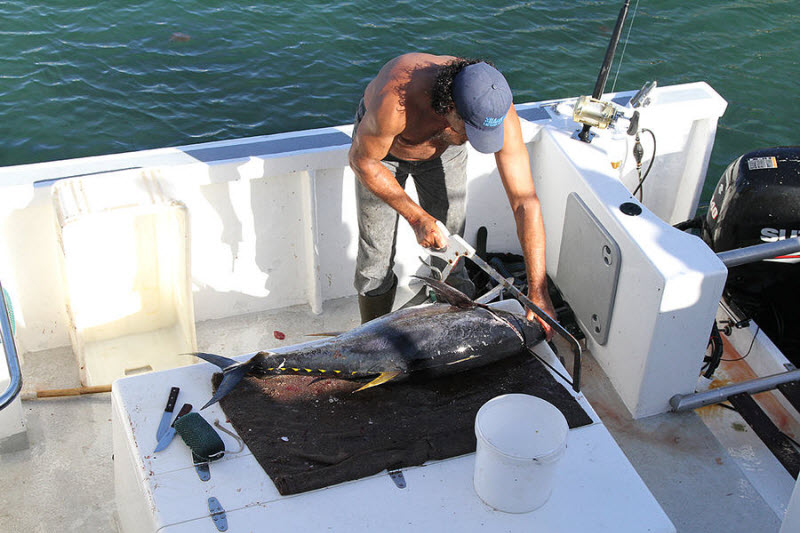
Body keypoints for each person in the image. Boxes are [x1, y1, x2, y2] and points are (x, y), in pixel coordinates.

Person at [348, 53, 555, 338]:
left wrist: (538, 291)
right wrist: (416, 217)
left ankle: (456, 331)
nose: (474, 139)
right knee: (375, 261)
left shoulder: (494, 109)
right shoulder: (395, 102)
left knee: (452, 255)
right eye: (470, 131)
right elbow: (363, 161)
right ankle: (367, 340)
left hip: (445, 152)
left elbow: (525, 202)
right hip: (382, 158)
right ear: (449, 107)